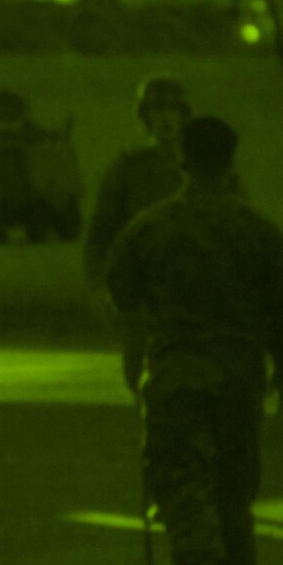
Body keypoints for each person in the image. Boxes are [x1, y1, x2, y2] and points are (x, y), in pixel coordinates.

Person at [105, 116, 283, 565]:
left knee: (180, 479)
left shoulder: (152, 226)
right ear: (232, 161)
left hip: (175, 373)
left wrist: (136, 346)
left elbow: (122, 288)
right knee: (234, 483)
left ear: (183, 160)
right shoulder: (257, 229)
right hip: (239, 376)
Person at [85, 74, 192, 393]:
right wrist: (99, 287)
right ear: (144, 117)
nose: (165, 118)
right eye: (156, 110)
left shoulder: (205, 165)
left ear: (184, 115)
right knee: (140, 370)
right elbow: (101, 234)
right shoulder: (127, 168)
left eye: (172, 110)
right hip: (142, 285)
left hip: (193, 283)